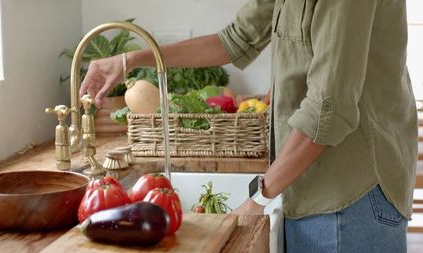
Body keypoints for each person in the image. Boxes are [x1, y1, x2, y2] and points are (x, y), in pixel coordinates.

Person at [79, 0, 417, 252]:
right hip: (307, 182)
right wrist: (131, 60)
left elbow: (328, 110)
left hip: (350, 193)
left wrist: (258, 196)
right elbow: (235, 39)